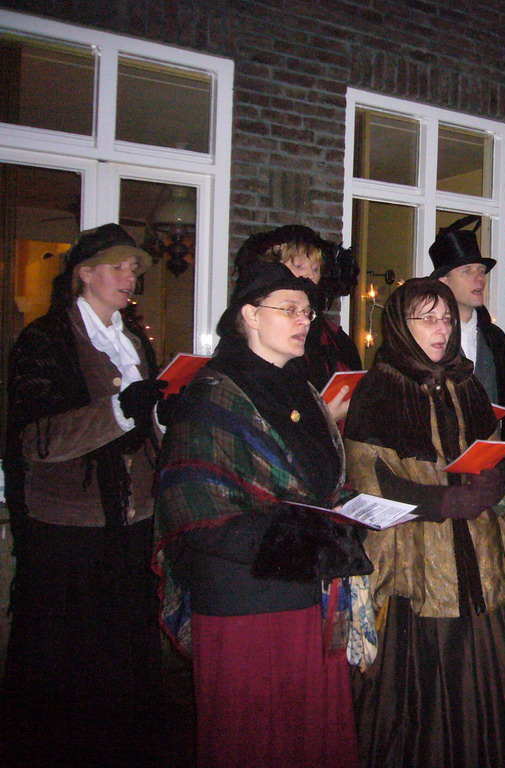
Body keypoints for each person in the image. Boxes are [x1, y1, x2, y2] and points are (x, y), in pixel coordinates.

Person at [153, 260, 372, 768]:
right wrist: (317, 533)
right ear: (250, 315)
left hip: (310, 593)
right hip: (246, 602)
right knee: (253, 740)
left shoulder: (302, 388)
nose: (304, 321)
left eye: (308, 311)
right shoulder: (213, 396)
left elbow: (320, 482)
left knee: (314, 737)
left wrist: (350, 509)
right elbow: (198, 511)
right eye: (289, 310)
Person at [344, 277, 505, 768]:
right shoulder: (378, 390)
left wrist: (493, 485)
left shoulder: (469, 385)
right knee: (417, 695)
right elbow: (370, 480)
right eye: (426, 318)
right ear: (400, 326)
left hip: (478, 559)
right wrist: (442, 502)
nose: (440, 329)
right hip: (419, 571)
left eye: (446, 318)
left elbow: (498, 458)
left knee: (493, 683)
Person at [2, 224, 166, 765]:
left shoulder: (134, 338)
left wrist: (166, 414)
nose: (129, 277)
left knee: (124, 663)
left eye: (134, 269)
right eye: (118, 267)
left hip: (132, 522)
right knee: (69, 670)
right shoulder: (46, 339)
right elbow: (38, 439)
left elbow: (145, 429)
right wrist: (122, 410)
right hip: (67, 533)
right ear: (84, 274)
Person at [430, 216, 505, 513]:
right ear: (444, 280)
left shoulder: (494, 339)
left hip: (491, 471)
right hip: (441, 473)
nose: (480, 278)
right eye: (468, 271)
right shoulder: (427, 338)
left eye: (482, 271)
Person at [235, 224, 361, 421]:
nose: (310, 275)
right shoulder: (260, 333)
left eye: (316, 268)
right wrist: (322, 420)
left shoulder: (334, 337)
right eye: (299, 266)